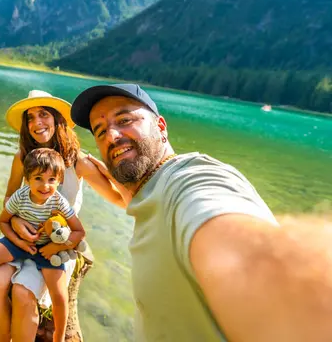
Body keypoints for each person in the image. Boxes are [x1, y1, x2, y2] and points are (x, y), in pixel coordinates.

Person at [70, 83, 332, 341]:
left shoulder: (189, 180)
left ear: (161, 127)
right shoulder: (149, 193)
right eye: (100, 131)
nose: (112, 136)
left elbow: (252, 256)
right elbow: (129, 194)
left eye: (124, 119)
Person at [0, 90, 129, 342]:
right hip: (22, 237)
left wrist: (110, 172)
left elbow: (120, 199)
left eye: (43, 115)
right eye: (30, 118)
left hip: (56, 244)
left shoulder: (78, 162)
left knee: (21, 293)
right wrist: (15, 221)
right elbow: (9, 198)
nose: (36, 123)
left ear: (57, 119)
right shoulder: (23, 158)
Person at [0, 148, 86, 342]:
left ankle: (58, 336)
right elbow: (3, 222)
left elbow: (79, 232)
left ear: (59, 180)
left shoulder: (59, 202)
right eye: (38, 178)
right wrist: (19, 242)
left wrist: (56, 248)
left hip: (47, 249)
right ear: (27, 178)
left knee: (59, 295)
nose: (45, 185)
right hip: (19, 241)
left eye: (52, 180)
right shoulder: (20, 197)